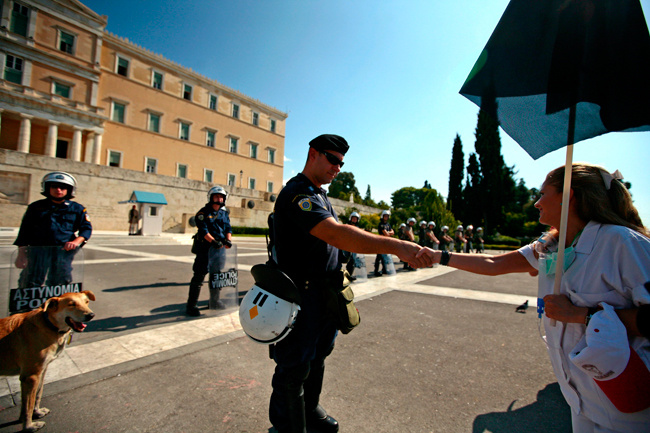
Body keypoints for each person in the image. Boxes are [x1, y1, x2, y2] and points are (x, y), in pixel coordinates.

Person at [416, 163, 650, 433]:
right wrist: (438, 256)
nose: (537, 202)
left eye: (543, 193)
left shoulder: (622, 243)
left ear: (567, 196)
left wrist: (581, 315)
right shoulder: (550, 244)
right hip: (581, 400)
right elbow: (493, 263)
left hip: (627, 401)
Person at [269, 134, 426, 433]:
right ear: (313, 154)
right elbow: (336, 234)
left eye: (341, 163)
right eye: (332, 159)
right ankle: (287, 426)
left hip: (324, 292)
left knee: (318, 355)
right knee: (294, 364)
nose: (337, 168)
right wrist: (395, 245)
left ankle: (308, 407)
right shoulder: (297, 194)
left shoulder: (319, 195)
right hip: (300, 294)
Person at [14, 171, 92, 289]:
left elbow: (86, 229)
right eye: (54, 186)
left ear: (69, 190)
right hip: (38, 251)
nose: (58, 190)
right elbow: (24, 232)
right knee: (31, 282)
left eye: (63, 187)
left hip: (63, 252)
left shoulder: (77, 209)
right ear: (47, 188)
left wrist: (76, 242)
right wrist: (21, 255)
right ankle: (29, 307)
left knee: (60, 282)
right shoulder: (35, 207)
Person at [186, 185, 232, 317]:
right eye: (216, 196)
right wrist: (213, 241)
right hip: (205, 250)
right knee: (199, 277)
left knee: (216, 277)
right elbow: (203, 230)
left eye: (221, 197)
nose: (219, 199)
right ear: (211, 198)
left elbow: (228, 228)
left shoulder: (224, 213)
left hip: (219, 251)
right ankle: (191, 305)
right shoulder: (203, 213)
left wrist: (228, 240)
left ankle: (215, 301)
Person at [373, 209, 394, 277]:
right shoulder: (381, 224)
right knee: (379, 257)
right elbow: (387, 234)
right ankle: (376, 271)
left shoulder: (388, 224)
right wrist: (389, 233)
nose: (386, 217)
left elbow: (392, 232)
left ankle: (384, 269)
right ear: (382, 216)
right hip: (381, 242)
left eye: (387, 216)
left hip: (386, 242)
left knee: (384, 258)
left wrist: (389, 233)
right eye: (385, 216)